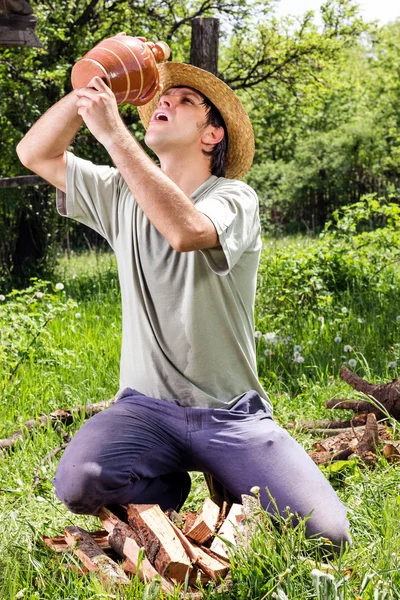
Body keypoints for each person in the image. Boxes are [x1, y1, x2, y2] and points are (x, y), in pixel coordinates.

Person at [17, 59, 351, 549]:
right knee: (78, 483)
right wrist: (94, 86)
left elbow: (186, 231)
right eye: (160, 100)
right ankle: (169, 487)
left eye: (185, 101)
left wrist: (113, 135)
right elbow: (34, 152)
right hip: (144, 411)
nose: (164, 104)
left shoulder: (235, 197)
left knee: (327, 534)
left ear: (212, 135)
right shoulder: (119, 192)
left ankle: (231, 480)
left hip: (231, 413)